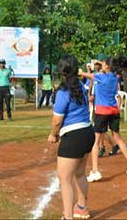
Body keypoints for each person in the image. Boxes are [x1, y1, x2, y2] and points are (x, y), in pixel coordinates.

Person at [48, 55, 95, 220]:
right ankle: (81, 207)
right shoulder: (80, 86)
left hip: (74, 136)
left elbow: (57, 120)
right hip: (88, 132)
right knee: (80, 173)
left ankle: (68, 216)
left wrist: (53, 134)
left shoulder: (63, 91)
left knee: (65, 178)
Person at [81, 58, 127, 183]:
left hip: (101, 111)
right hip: (114, 111)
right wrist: (100, 62)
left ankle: (95, 171)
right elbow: (108, 67)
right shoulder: (114, 77)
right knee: (118, 138)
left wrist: (80, 71)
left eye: (104, 64)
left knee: (95, 142)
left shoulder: (101, 77)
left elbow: (88, 75)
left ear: (107, 67)